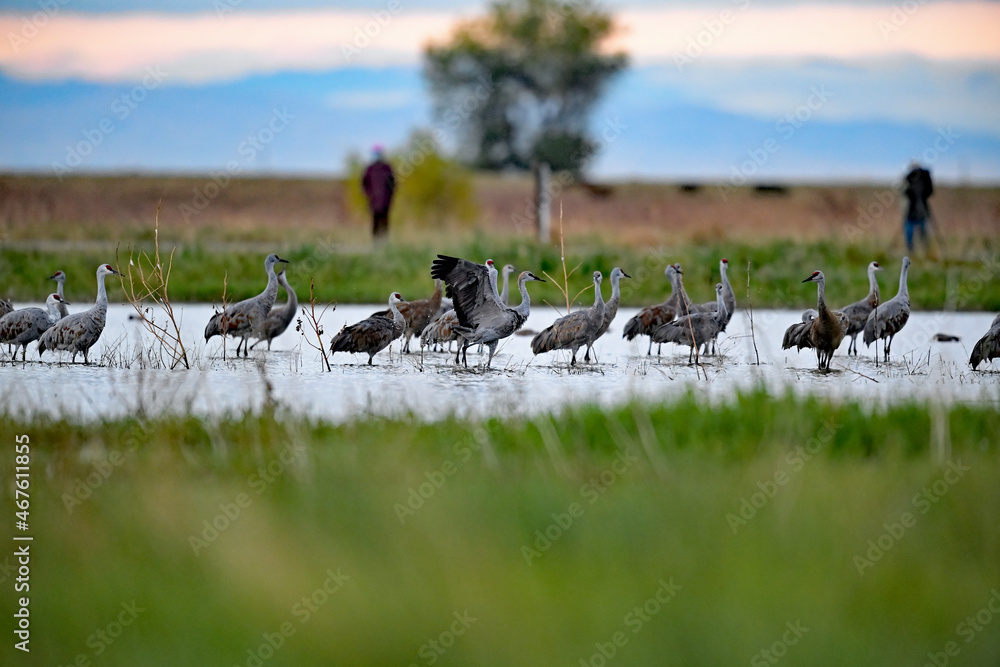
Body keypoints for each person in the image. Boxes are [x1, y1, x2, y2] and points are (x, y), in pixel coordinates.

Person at [361, 145, 396, 240]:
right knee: (376, 222)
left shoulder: (386, 168)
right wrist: (369, 195)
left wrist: (389, 196)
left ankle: (384, 243)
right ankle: (376, 243)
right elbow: (364, 184)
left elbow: (393, 184)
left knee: (384, 222)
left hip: (385, 201)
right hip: (374, 201)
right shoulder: (370, 169)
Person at [902, 160, 933, 252]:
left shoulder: (924, 178)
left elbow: (929, 191)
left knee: (921, 229)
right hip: (913, 208)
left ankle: (925, 249)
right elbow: (906, 192)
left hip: (920, 207)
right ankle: (912, 249)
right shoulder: (910, 178)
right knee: (911, 230)